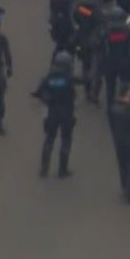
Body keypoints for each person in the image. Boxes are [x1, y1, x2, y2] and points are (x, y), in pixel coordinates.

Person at [33, 50, 78, 178]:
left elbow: (39, 93)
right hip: (66, 113)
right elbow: (73, 96)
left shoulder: (48, 77)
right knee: (66, 141)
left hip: (52, 112)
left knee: (49, 140)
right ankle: (62, 170)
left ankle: (44, 169)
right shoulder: (69, 79)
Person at [98, 0, 130, 106]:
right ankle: (123, 103)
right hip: (124, 61)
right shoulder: (128, 30)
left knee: (110, 85)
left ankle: (110, 104)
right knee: (125, 83)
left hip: (109, 61)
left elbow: (100, 43)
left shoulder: (106, 30)